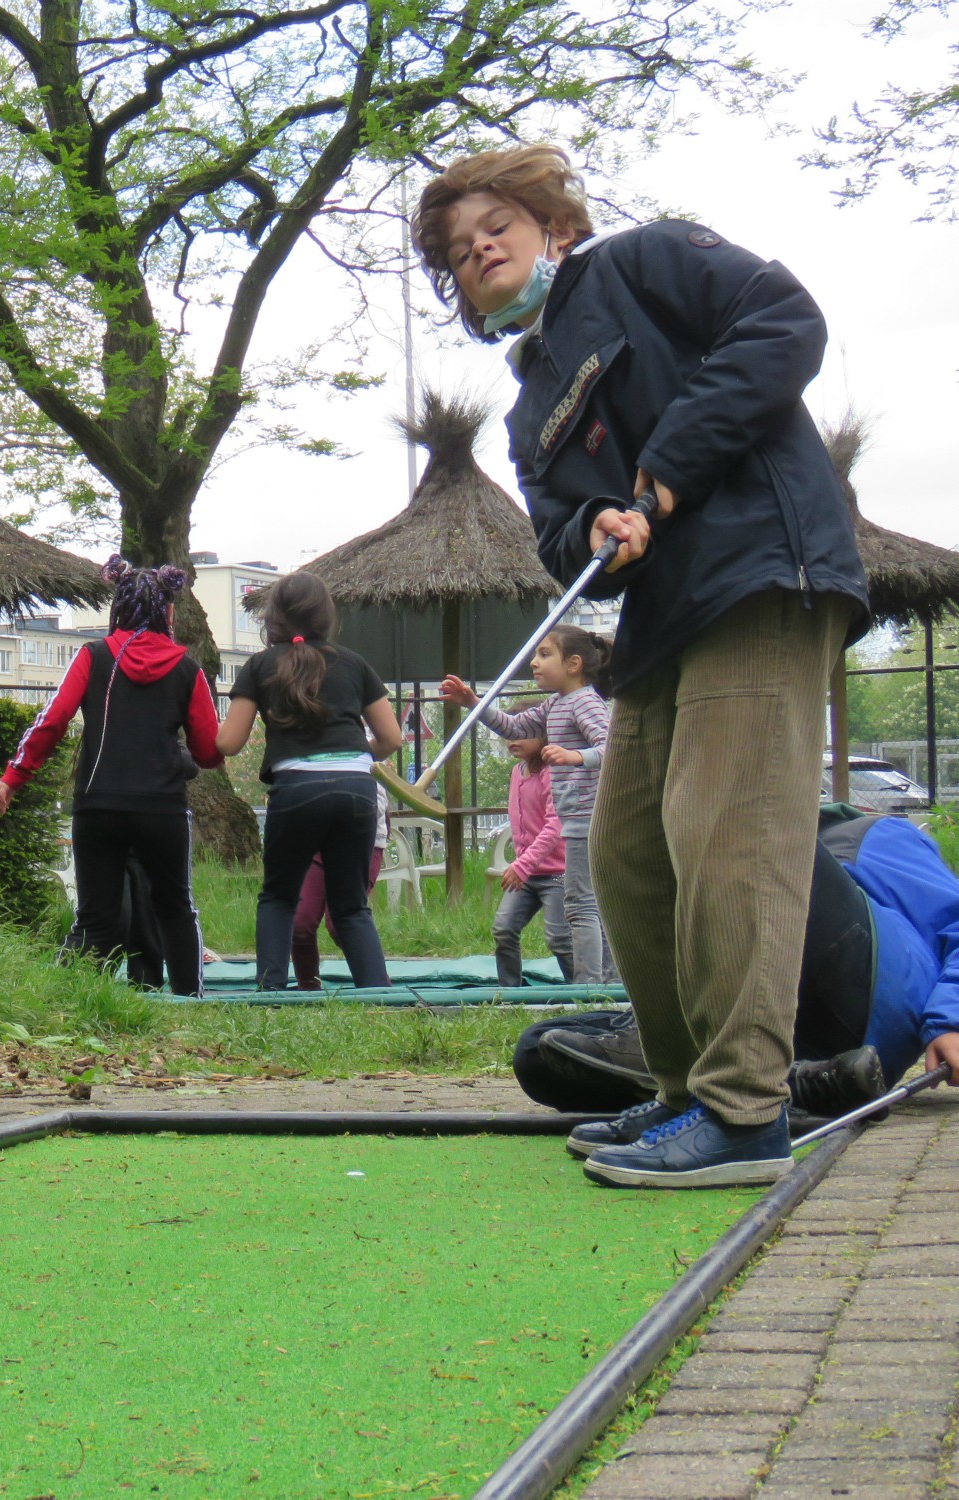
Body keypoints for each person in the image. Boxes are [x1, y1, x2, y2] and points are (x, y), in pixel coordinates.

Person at [415, 144, 871, 1187]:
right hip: (661, 624)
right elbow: (554, 541)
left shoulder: (647, 262)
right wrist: (594, 530)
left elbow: (783, 324)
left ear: (550, 226)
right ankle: (679, 1092)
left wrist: (661, 474)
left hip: (763, 571)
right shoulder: (530, 408)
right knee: (626, 853)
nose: (479, 248)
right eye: (457, 250)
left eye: (495, 225)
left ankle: (744, 1113)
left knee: (726, 837)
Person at [518, 809, 959, 1127]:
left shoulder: (884, 833)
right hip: (773, 1020)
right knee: (535, 1051)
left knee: (758, 822)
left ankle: (684, 1051)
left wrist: (950, 1020)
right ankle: (796, 1082)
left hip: (867, 989)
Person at [0, 557, 222, 996]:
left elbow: (53, 720)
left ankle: (71, 1003)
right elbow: (209, 751)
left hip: (98, 806)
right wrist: (188, 759)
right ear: (166, 613)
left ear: (118, 609)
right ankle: (190, 999)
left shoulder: (92, 656)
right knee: (175, 908)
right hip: (162, 809)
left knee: (95, 916)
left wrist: (13, 776)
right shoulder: (187, 670)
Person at [219, 572, 402, 990]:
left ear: (272, 618)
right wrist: (351, 753)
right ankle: (378, 993)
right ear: (327, 615)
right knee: (352, 907)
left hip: (296, 791)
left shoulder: (260, 666)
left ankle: (272, 990)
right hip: (356, 789)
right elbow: (391, 738)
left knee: (279, 897)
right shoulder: (354, 663)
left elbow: (229, 743)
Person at [442, 631, 610, 983]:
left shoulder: (585, 702)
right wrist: (474, 702)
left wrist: (573, 755)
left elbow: (611, 748)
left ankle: (591, 986)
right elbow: (514, 726)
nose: (534, 662)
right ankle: (600, 980)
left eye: (545, 654)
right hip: (574, 819)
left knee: (580, 906)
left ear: (573, 664)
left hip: (586, 819)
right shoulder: (557, 703)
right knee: (585, 905)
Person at [290, 782, 389, 990]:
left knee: (341, 922)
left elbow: (388, 750)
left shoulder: (362, 757)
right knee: (299, 921)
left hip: (361, 839)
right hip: (313, 841)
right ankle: (308, 990)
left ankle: (377, 988)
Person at [494, 735, 575, 987]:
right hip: (527, 874)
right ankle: (510, 993)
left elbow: (555, 824)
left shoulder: (552, 773)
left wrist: (523, 864)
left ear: (543, 738)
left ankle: (582, 992)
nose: (512, 740)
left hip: (557, 873)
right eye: (508, 734)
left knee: (560, 939)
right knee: (504, 929)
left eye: (522, 734)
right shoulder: (517, 772)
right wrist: (523, 864)